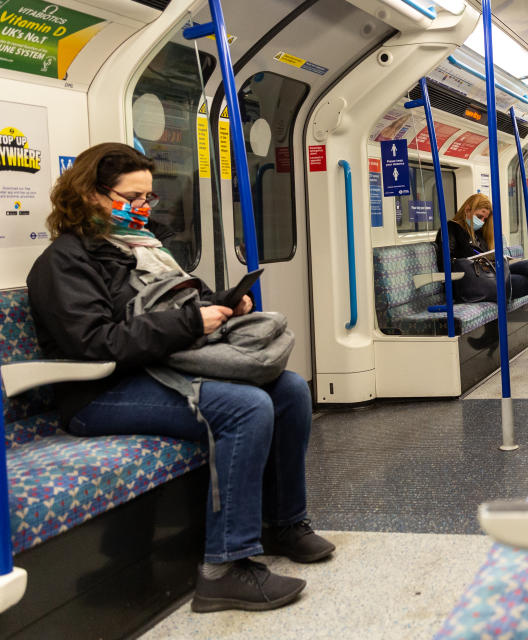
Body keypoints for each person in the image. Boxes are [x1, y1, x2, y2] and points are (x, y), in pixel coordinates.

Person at [26, 143, 332, 613]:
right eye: (133, 197)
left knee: (288, 389)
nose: (144, 208)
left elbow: (179, 300)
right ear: (90, 194)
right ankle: (224, 569)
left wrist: (224, 304)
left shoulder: (147, 248)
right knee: (246, 407)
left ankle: (284, 523)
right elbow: (95, 343)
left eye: (149, 197)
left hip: (158, 369)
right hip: (98, 392)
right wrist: (191, 323)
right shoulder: (64, 262)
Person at [434, 193, 528, 356]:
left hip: (486, 277)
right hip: (468, 284)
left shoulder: (478, 235)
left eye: (485, 219)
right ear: (467, 209)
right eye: (479, 216)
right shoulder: (451, 228)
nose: (482, 222)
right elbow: (446, 263)